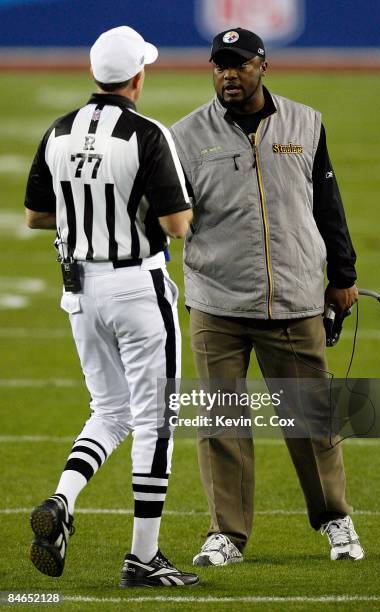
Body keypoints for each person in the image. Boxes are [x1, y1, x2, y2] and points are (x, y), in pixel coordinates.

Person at [170, 27, 364, 566]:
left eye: (240, 64)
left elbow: (328, 202)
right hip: (217, 300)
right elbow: (167, 217)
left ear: (263, 65)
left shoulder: (305, 122)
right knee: (222, 423)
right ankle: (226, 535)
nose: (229, 75)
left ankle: (336, 520)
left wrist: (343, 275)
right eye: (220, 66)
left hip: (295, 296)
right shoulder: (184, 135)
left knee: (311, 419)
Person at [24, 25, 199, 587]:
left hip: (79, 291)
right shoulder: (148, 134)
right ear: (138, 77)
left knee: (109, 411)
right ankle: (142, 557)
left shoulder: (57, 131)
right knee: (154, 421)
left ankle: (62, 499)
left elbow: (35, 214)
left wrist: (86, 213)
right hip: (136, 287)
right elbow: (176, 223)